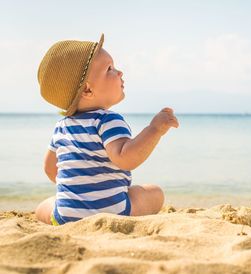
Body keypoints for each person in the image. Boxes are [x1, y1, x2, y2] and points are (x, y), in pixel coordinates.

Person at [35, 34, 179, 225]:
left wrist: (80, 190)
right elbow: (126, 158)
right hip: (113, 212)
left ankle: (62, 213)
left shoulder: (62, 126)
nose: (119, 72)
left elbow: (50, 168)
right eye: (109, 69)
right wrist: (154, 129)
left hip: (67, 216)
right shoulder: (107, 120)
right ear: (87, 90)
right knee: (154, 193)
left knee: (44, 207)